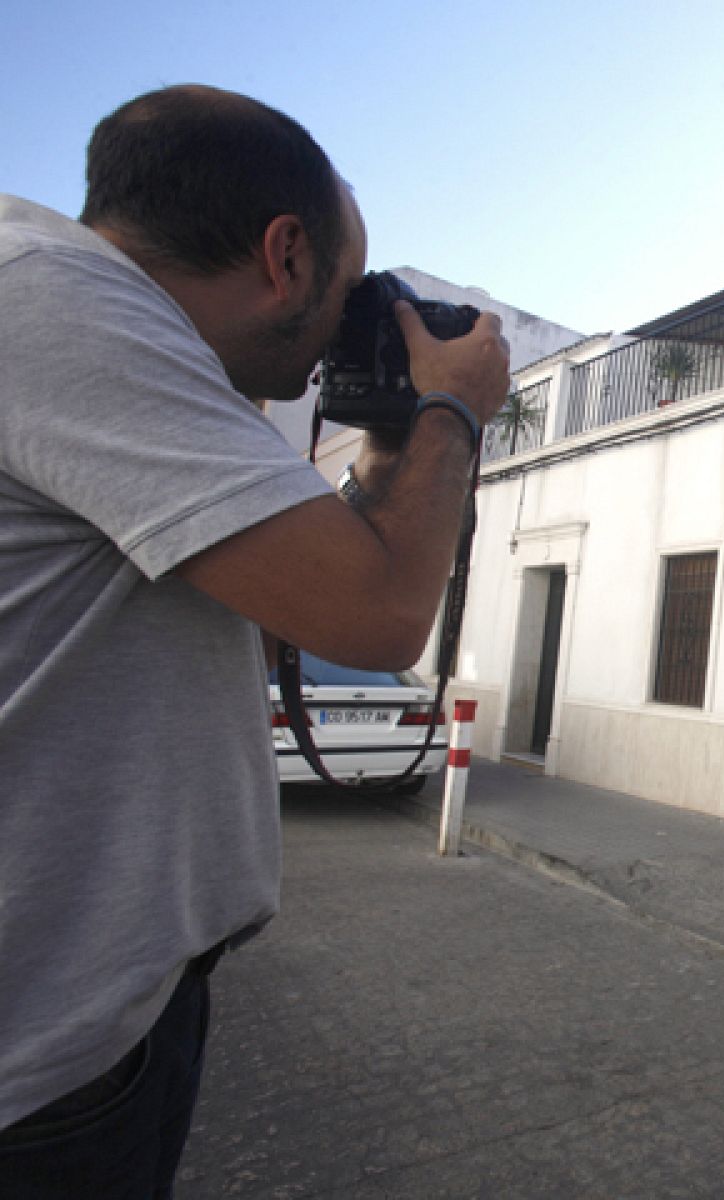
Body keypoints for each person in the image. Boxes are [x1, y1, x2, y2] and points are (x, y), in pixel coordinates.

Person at [0, 86, 510, 1197]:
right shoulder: (62, 312)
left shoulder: (95, 332)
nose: (348, 319)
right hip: (45, 1077)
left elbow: (332, 572)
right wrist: (453, 412)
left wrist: (390, 426)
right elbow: (377, 618)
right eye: (344, 289)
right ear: (285, 254)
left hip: (82, 1026)